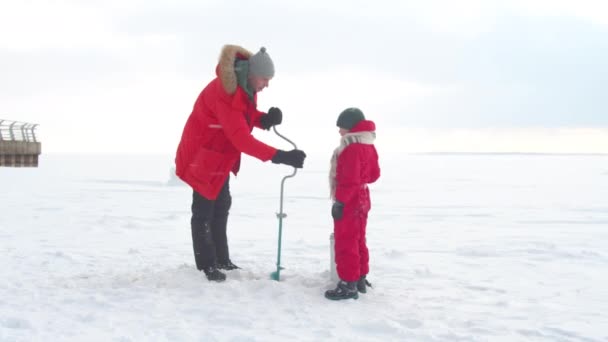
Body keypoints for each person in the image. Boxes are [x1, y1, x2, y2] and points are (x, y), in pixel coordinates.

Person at [175, 45, 307, 282]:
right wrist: (281, 155)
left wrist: (264, 119)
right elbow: (242, 139)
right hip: (202, 155)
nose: (266, 84)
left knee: (222, 204)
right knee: (204, 210)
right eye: (265, 79)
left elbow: (243, 115)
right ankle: (206, 265)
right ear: (253, 74)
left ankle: (222, 260)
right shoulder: (224, 92)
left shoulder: (244, 87)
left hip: (219, 155)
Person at [325, 107, 380, 300]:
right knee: (359, 239)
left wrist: (340, 202)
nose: (339, 131)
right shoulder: (368, 145)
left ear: (350, 127)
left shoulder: (351, 148)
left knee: (346, 240)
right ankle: (360, 279)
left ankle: (348, 284)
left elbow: (348, 181)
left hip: (350, 201)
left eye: (342, 127)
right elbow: (374, 175)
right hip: (363, 198)